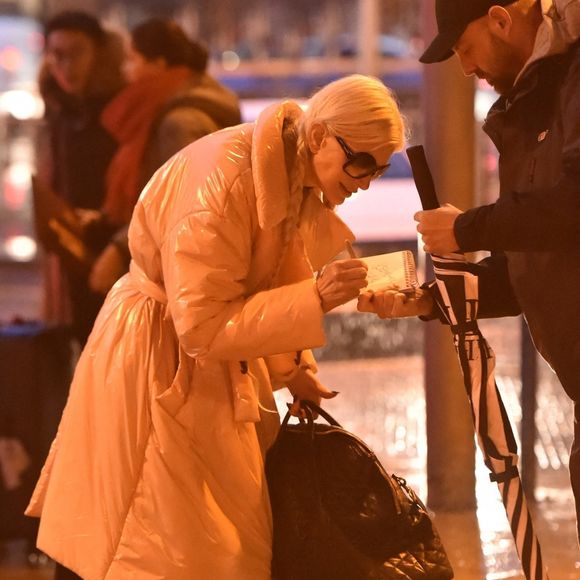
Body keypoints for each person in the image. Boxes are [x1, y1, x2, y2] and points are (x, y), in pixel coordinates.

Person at [25, 74, 405, 579]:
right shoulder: (225, 182)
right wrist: (315, 297)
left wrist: (293, 368)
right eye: (361, 163)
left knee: (198, 544)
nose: (364, 182)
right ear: (319, 138)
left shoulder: (286, 174)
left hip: (196, 368)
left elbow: (263, 279)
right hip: (159, 367)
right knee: (168, 546)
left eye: (378, 170)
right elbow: (202, 323)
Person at [359, 0, 580, 539]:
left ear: (502, 19)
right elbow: (534, 263)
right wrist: (437, 298)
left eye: (464, 48)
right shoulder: (533, 103)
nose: (465, 69)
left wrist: (465, 230)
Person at [88, 17, 242, 295]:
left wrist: (119, 249)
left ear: (158, 63)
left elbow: (180, 201)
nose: (125, 71)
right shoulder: (167, 108)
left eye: (132, 60)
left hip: (177, 275)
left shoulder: (181, 121)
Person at [36, 11, 125, 345]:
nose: (66, 66)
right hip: (71, 243)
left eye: (76, 53)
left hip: (115, 246)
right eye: (57, 55)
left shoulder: (118, 107)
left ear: (98, 52)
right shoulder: (58, 105)